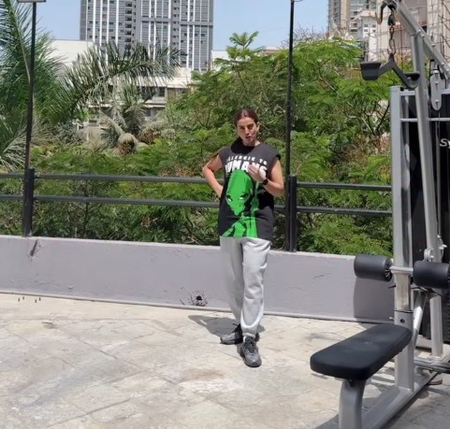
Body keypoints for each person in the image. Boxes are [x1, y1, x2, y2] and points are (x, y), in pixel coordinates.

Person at [202, 108, 284, 367]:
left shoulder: (268, 154)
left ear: (258, 126)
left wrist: (263, 180)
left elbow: (280, 190)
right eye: (242, 127)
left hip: (258, 224)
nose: (247, 131)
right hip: (229, 224)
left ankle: (249, 336)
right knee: (233, 281)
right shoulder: (228, 152)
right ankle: (241, 324)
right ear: (236, 129)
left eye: (250, 126)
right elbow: (207, 169)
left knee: (253, 279)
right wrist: (219, 189)